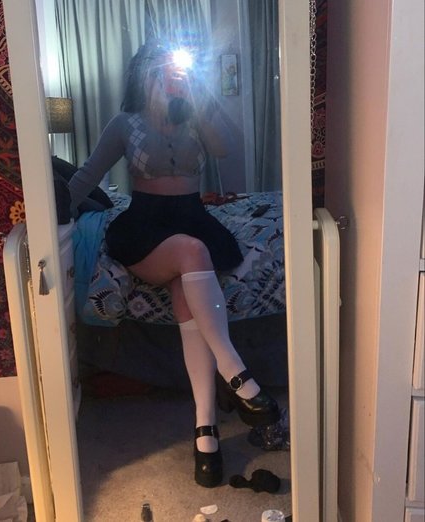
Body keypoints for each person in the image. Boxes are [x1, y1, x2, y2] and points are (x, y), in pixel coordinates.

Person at [68, 41, 280, 488]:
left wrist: (199, 97)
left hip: (192, 216)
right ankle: (238, 375)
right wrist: (49, 211)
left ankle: (206, 430)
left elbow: (224, 148)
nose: (171, 73)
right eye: (161, 67)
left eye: (175, 66)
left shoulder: (194, 113)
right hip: (145, 225)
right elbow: (88, 175)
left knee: (188, 287)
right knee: (192, 253)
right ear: (143, 73)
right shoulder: (125, 123)